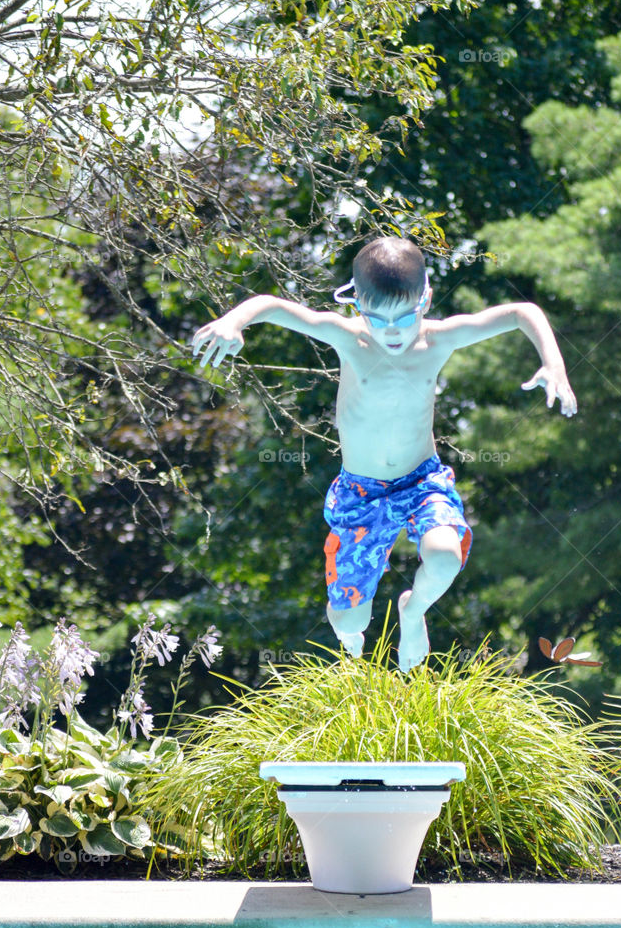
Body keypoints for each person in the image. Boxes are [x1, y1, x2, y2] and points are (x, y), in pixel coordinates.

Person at [191, 235, 577, 672]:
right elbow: (274, 305)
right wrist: (232, 322)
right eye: (377, 318)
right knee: (349, 620)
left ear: (426, 299)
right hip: (360, 494)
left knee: (446, 556)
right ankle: (354, 641)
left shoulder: (439, 341)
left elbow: (522, 312)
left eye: (404, 317)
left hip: (420, 481)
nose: (391, 331)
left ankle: (413, 613)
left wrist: (554, 362)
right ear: (357, 305)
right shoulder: (349, 338)